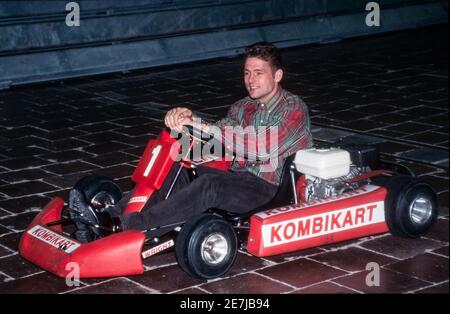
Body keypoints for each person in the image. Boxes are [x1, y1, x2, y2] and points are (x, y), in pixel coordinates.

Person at [69, 42, 313, 242]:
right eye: (247, 73)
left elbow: (261, 146)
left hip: (269, 187)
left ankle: (131, 227)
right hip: (238, 179)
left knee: (209, 184)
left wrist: (204, 127)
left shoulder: (293, 107)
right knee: (179, 167)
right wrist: (186, 120)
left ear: (278, 75)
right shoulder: (242, 107)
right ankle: (108, 216)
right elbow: (217, 139)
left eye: (259, 73)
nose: (251, 80)